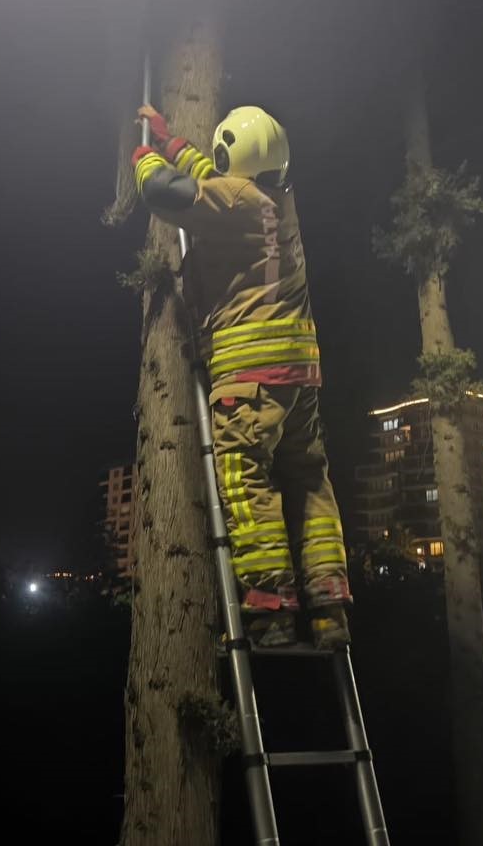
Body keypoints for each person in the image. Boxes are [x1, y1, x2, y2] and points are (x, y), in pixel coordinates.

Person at [131, 103, 352, 649]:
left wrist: (143, 158)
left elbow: (167, 192)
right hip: (299, 379)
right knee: (309, 480)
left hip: (249, 378)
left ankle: (272, 609)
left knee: (246, 483)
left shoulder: (234, 202)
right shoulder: (277, 199)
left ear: (234, 151)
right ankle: (329, 607)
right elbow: (215, 181)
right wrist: (173, 140)